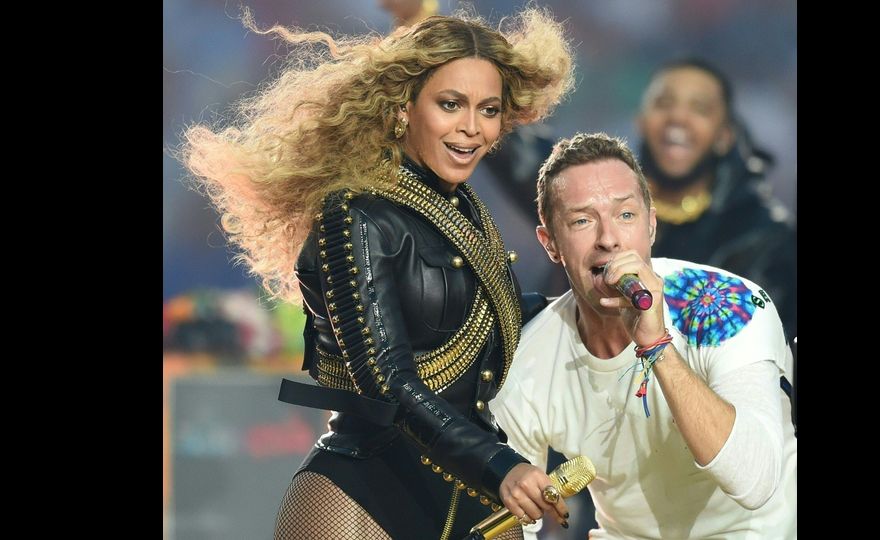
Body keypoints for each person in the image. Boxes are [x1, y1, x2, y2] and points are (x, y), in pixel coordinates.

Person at [181, 8, 576, 539]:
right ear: (404, 107)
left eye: (488, 109)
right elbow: (387, 380)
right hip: (363, 495)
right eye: (450, 104)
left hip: (472, 497)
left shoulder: (466, 209)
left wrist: (586, 305)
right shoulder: (354, 214)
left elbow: (485, 317)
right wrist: (499, 465)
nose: (471, 128)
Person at [490, 133, 797, 539]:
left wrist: (656, 346)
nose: (608, 238)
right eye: (582, 220)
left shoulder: (726, 304)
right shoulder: (529, 355)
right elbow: (518, 523)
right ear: (551, 245)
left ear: (651, 225)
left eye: (626, 215)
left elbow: (754, 482)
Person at [635, 59, 797, 341]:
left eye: (700, 108)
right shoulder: (599, 209)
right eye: (663, 103)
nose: (678, 117)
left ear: (724, 136)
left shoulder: (765, 237)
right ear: (641, 121)